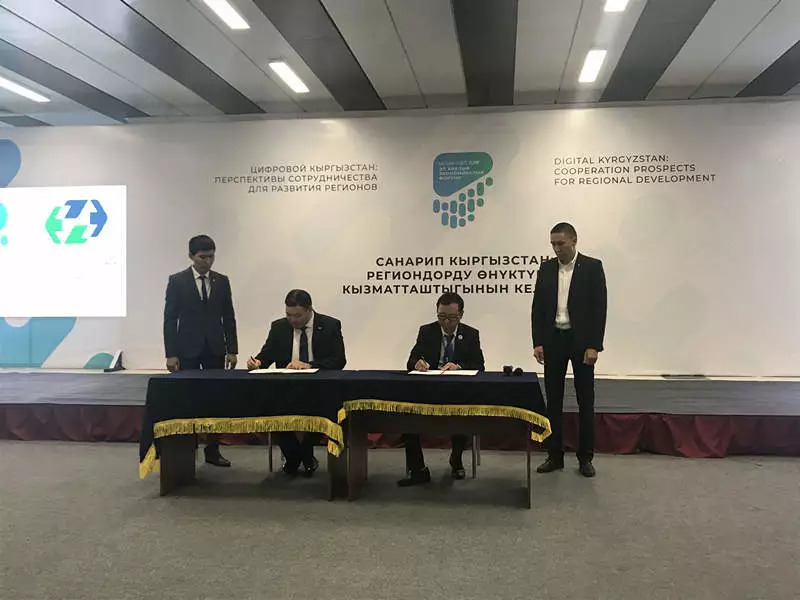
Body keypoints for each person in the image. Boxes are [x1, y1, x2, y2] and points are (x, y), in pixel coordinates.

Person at [532, 222, 607, 477]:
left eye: (561, 243)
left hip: (581, 342)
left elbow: (599, 309)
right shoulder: (546, 269)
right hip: (554, 340)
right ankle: (554, 455)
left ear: (574, 241)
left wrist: (594, 345)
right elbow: (537, 308)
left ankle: (585, 458)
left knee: (586, 400)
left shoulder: (592, 267)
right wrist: (538, 342)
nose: (556, 248)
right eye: (553, 244)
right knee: (553, 401)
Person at [246, 289, 346, 476]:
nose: (292, 320)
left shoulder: (330, 325)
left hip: (318, 386)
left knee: (326, 409)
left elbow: (339, 360)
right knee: (267, 406)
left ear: (309, 310)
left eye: (297, 315)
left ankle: (304, 453)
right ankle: (296, 456)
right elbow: (266, 355)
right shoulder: (279, 327)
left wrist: (309, 365)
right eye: (289, 315)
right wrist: (257, 362)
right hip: (285, 387)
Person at [163, 234, 238, 467]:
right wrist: (171, 353)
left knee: (215, 398)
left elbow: (229, 316)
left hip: (215, 348)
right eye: (202, 257)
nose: (207, 261)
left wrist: (232, 349)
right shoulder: (177, 281)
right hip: (187, 349)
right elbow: (170, 319)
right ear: (191, 256)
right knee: (188, 398)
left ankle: (213, 449)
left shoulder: (222, 281)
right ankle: (188, 448)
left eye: (211, 257)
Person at [398, 292, 485, 487]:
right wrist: (417, 363)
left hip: (458, 393)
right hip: (428, 391)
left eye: (451, 318)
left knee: (463, 415)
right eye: (441, 317)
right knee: (406, 416)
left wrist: (459, 367)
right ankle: (418, 470)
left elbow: (479, 365)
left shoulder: (471, 334)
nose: (446, 322)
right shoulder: (427, 331)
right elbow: (411, 360)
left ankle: (456, 459)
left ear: (461, 315)